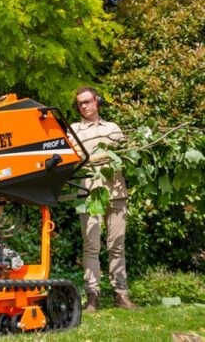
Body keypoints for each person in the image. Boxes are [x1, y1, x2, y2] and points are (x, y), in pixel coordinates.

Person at [69, 86, 137, 312]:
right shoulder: (73, 131)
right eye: (80, 103)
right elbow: (71, 160)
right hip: (89, 195)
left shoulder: (113, 128)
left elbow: (126, 153)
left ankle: (121, 295)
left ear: (97, 101)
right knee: (91, 247)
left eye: (88, 101)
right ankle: (93, 297)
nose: (84, 106)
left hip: (116, 192)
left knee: (117, 246)